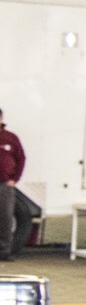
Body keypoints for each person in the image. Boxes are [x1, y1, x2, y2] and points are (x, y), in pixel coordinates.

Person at [0, 107, 21, 260]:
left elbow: (21, 159)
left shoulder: (10, 138)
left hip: (4, 186)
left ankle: (4, 252)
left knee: (5, 219)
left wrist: (15, 178)